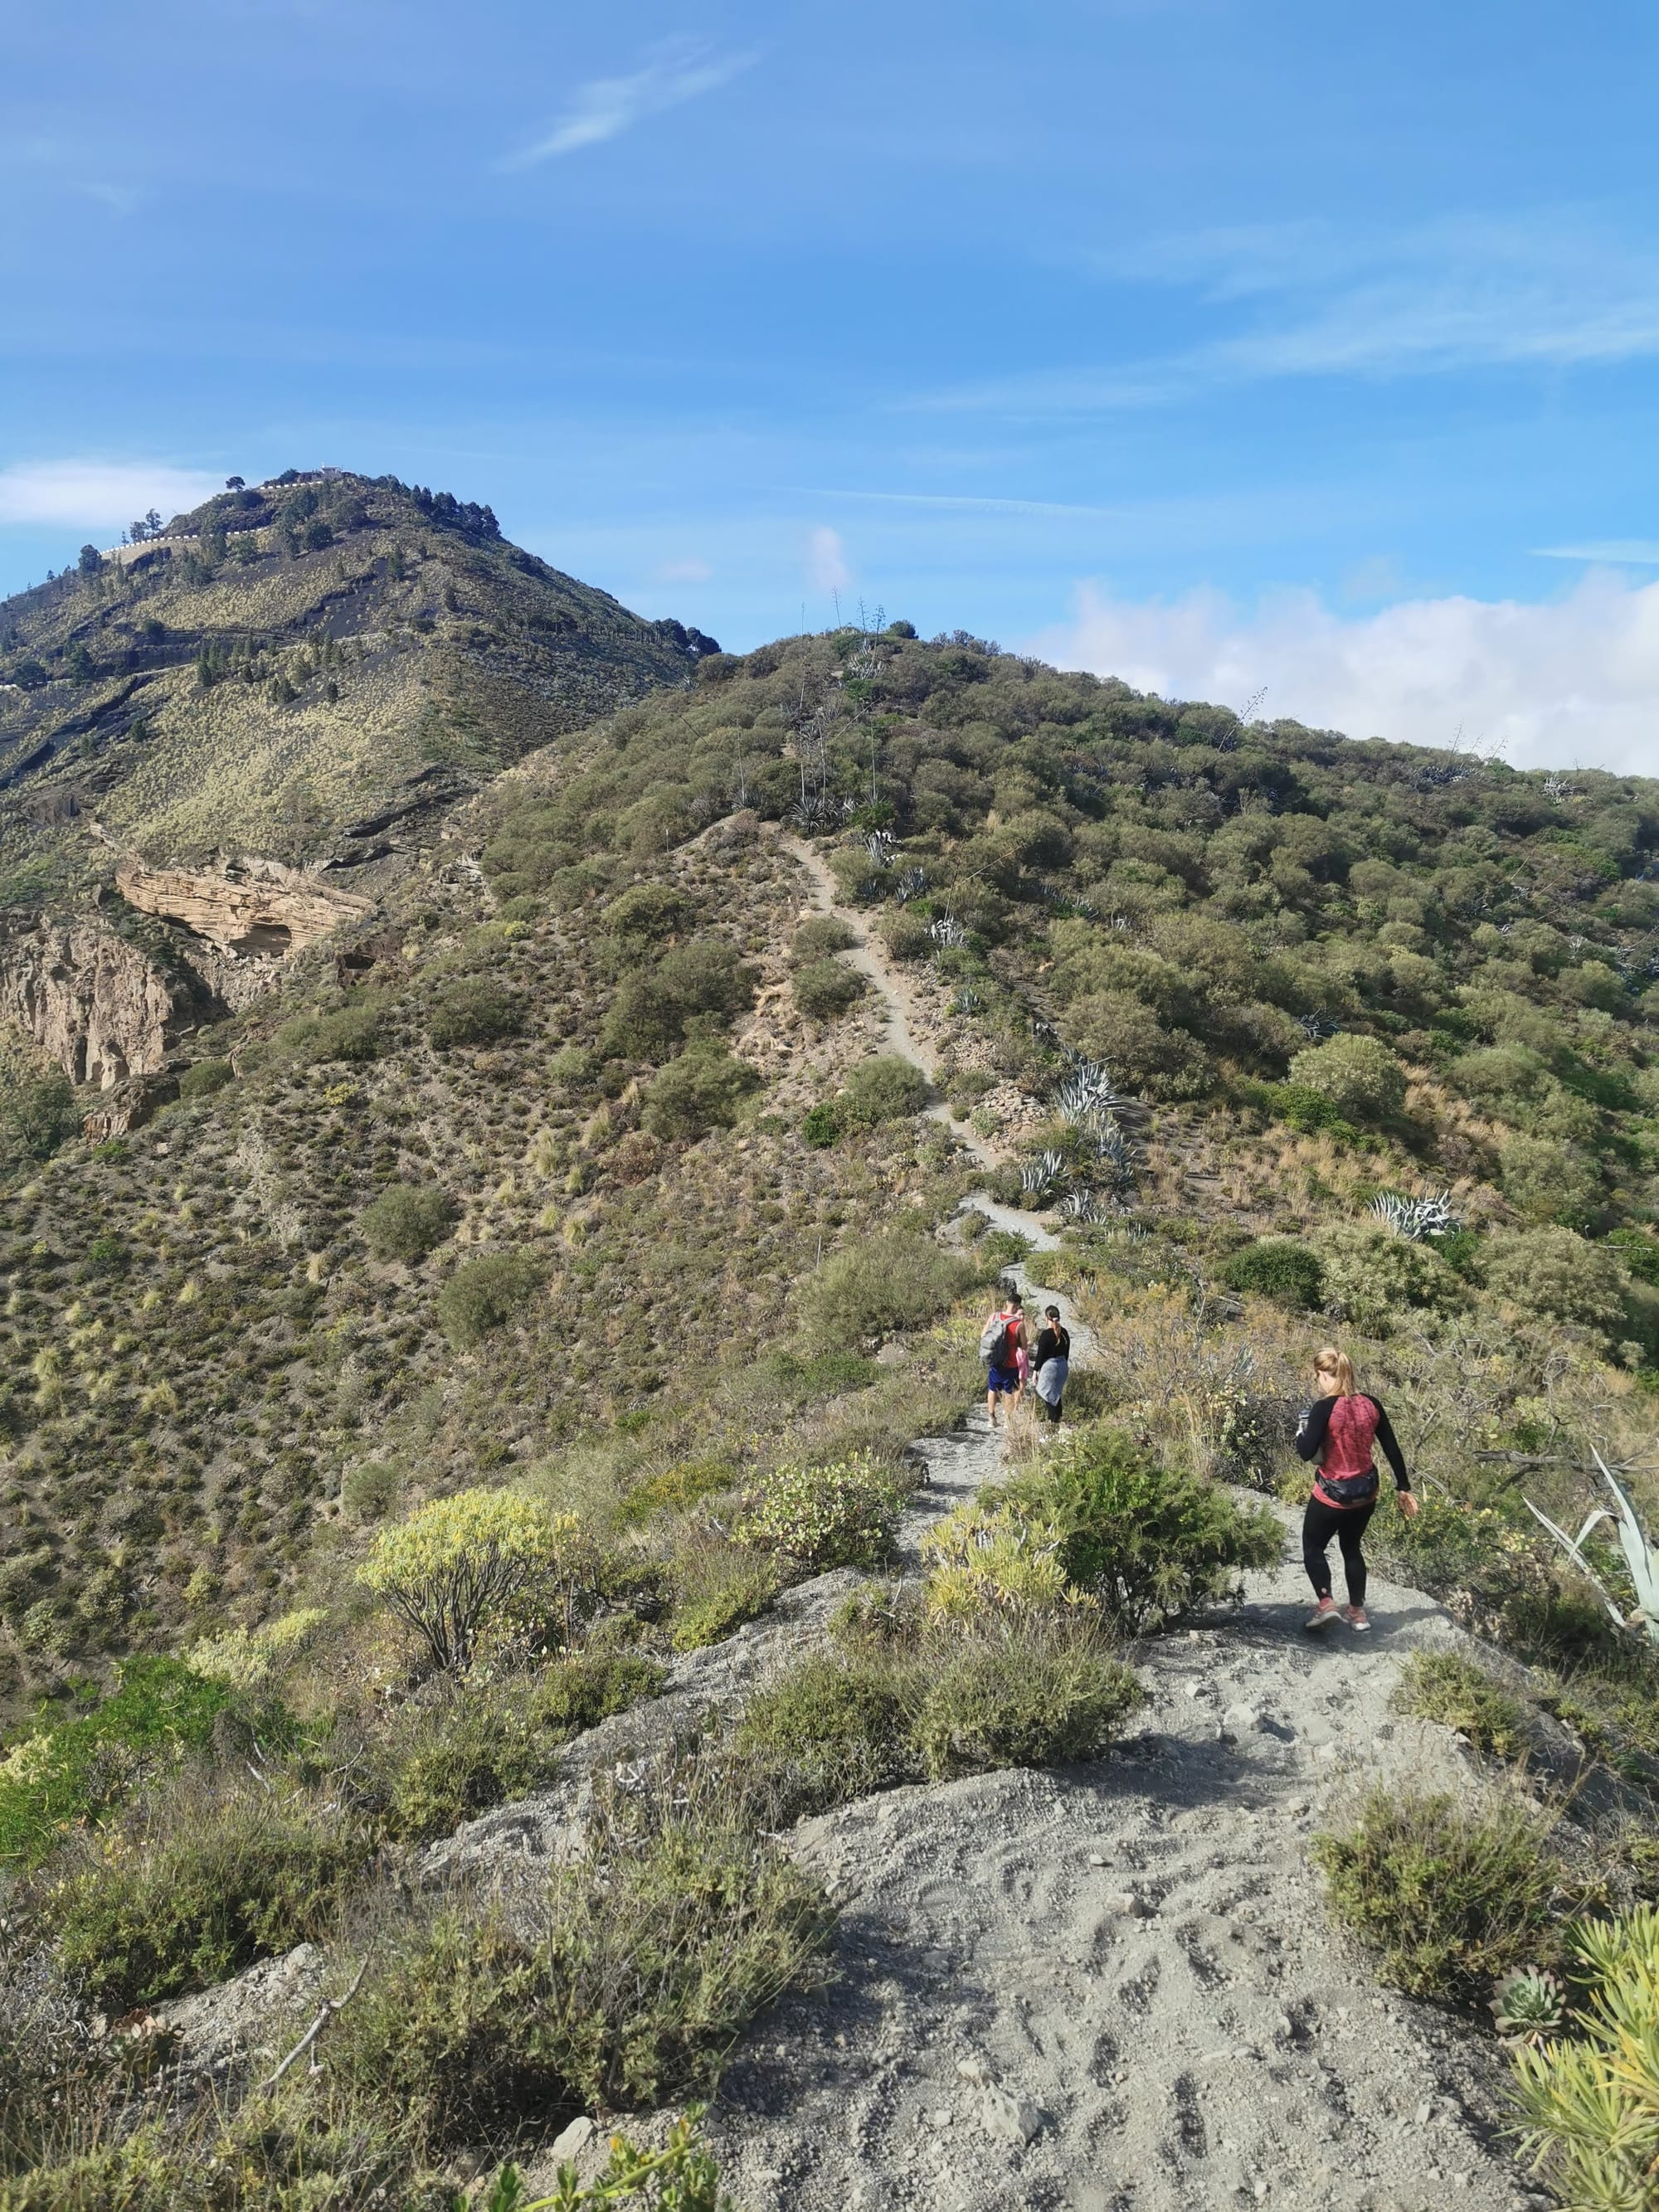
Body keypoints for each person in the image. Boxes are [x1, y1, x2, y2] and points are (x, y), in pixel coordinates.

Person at [1295, 1345, 1418, 1632]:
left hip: (1332, 1494)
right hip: (1366, 1494)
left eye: (1318, 1376)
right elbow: (1391, 1447)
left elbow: (1306, 1451)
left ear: (1325, 1375)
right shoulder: (1371, 1403)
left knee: (1313, 1547)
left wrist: (1301, 1434)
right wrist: (1403, 1486)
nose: (1318, 1381)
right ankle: (1358, 1613)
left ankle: (1326, 1605)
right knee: (1352, 1548)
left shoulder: (1324, 1407)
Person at [981, 1287, 1025, 1427]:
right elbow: (1024, 1346)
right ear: (1018, 1306)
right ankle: (1007, 1420)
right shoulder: (1018, 1324)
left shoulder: (994, 1316)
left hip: (994, 1360)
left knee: (992, 1388)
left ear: (1007, 1302)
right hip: (1011, 1361)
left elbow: (983, 1336)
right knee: (1009, 1391)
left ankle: (991, 1418)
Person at [1032, 1305, 1071, 1426]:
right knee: (1056, 1394)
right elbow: (1067, 1353)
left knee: (1047, 1394)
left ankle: (1052, 1421)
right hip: (1063, 1365)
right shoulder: (1064, 1332)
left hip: (1050, 1367)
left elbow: (1040, 1355)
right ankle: (1057, 1420)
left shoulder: (1046, 1335)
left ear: (1046, 1318)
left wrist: (1035, 1371)